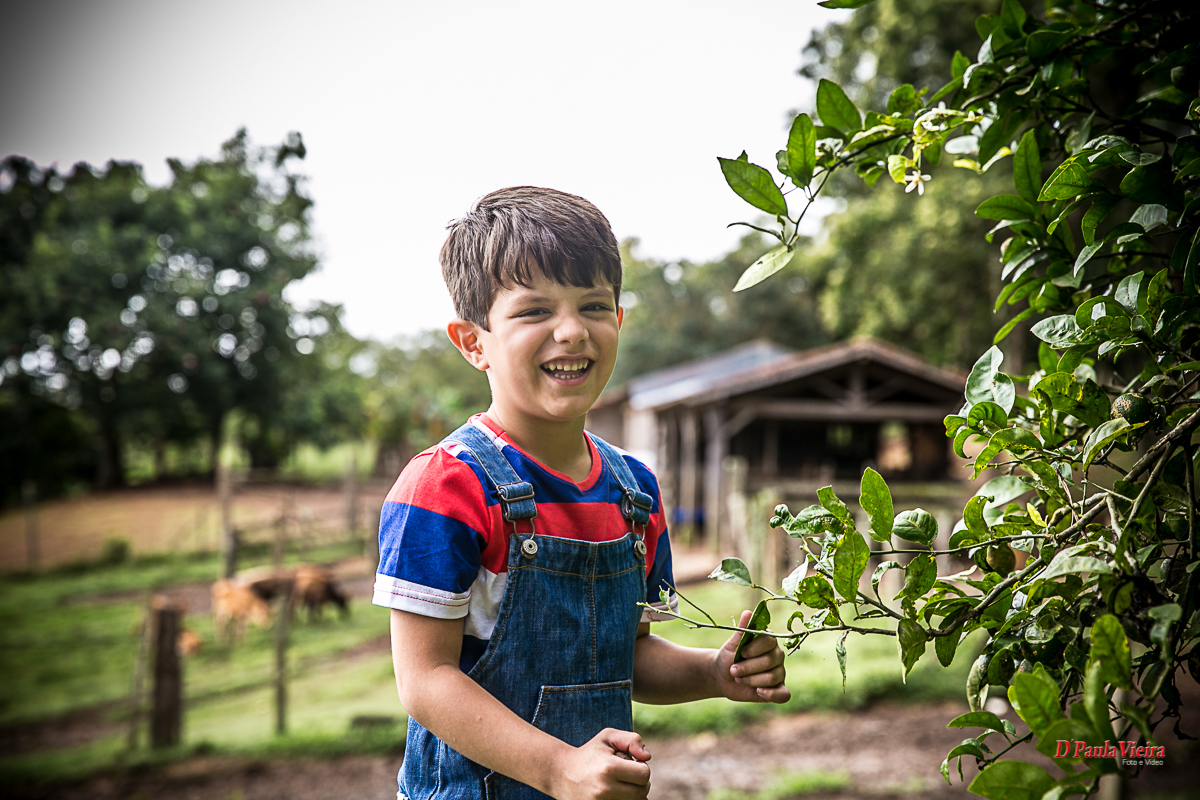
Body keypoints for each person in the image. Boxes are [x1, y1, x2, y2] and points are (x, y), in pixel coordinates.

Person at [373, 187, 790, 800]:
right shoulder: (446, 485)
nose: (572, 331)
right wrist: (555, 768)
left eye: (593, 305)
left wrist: (713, 671)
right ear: (473, 342)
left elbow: (628, 655)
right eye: (534, 311)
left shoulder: (635, 494)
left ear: (618, 320)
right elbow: (426, 680)